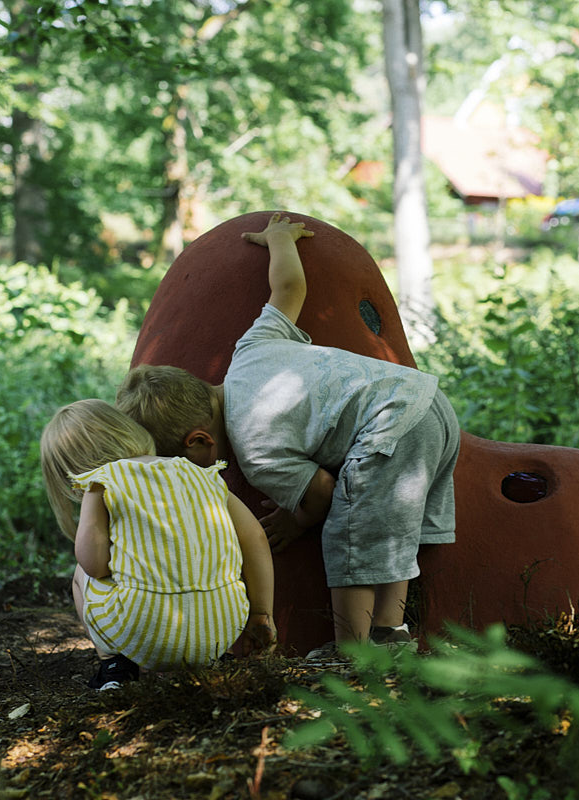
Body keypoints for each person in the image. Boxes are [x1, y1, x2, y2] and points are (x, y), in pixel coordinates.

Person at [116, 213, 460, 658]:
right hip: (427, 400)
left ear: (199, 442)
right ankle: (389, 633)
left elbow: (321, 492)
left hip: (390, 428)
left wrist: (292, 521)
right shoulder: (251, 349)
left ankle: (352, 651)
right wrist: (279, 240)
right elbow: (289, 289)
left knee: (350, 532)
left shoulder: (256, 448)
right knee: (391, 530)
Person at [40, 399, 276, 689]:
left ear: (71, 472)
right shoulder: (200, 473)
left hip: (142, 630)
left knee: (81, 575)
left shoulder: (100, 482)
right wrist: (261, 613)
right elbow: (255, 537)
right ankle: (212, 660)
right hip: (223, 626)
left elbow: (95, 564)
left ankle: (114, 667)